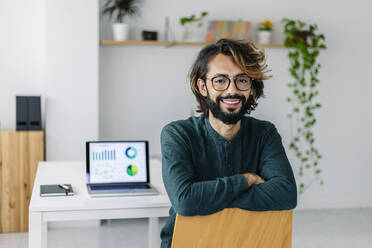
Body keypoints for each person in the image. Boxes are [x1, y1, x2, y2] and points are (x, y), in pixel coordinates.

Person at [160, 39, 297, 247]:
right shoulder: (178, 134)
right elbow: (185, 201)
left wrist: (207, 198)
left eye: (242, 80)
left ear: (251, 88)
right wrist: (246, 180)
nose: (232, 90)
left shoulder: (264, 133)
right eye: (220, 80)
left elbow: (286, 194)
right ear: (202, 86)